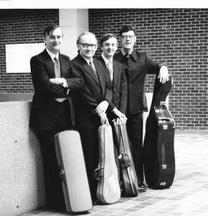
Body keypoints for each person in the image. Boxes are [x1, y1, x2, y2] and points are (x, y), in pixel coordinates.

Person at [29, 24, 81, 211]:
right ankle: (55, 202)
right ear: (45, 39)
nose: (56, 40)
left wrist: (62, 81)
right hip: (46, 119)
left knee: (65, 160)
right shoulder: (37, 61)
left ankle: (68, 198)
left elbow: (79, 82)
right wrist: (68, 88)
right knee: (51, 161)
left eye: (59, 37)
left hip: (65, 118)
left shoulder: (67, 60)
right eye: (52, 37)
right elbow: (44, 87)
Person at [114, 24, 169, 192]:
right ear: (120, 40)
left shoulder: (142, 57)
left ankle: (138, 179)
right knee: (119, 144)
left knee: (137, 145)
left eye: (130, 36)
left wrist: (164, 66)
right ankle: (120, 180)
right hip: (118, 109)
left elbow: (157, 66)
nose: (128, 39)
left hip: (137, 109)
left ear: (135, 39)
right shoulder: (114, 58)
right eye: (124, 37)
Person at [70, 31, 124, 203]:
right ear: (78, 46)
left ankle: (103, 190)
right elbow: (81, 91)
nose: (89, 48)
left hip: (102, 115)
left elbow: (109, 86)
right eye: (85, 45)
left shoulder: (99, 64)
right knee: (89, 155)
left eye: (92, 45)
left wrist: (107, 103)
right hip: (86, 119)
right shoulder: (74, 65)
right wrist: (98, 109)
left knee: (103, 155)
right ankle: (91, 194)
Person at [97, 33, 127, 125]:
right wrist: (114, 110)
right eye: (107, 45)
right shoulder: (95, 64)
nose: (110, 47)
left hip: (117, 112)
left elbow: (123, 91)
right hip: (102, 112)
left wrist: (121, 112)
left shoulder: (119, 66)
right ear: (101, 47)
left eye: (113, 45)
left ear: (117, 47)